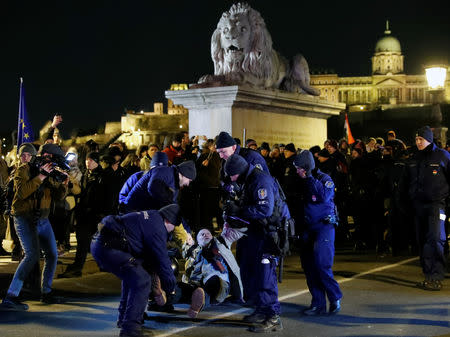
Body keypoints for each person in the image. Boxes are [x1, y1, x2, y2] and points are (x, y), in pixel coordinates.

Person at [90, 204, 181, 337]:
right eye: (174, 226)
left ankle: (123, 319)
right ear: (169, 221)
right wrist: (170, 288)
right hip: (109, 247)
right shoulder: (158, 227)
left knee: (133, 274)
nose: (172, 231)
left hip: (102, 243)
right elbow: (163, 261)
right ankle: (130, 330)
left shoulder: (152, 215)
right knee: (142, 281)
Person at [223, 154, 290, 332]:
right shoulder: (249, 180)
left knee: (265, 275)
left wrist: (239, 210)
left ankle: (273, 316)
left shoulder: (260, 180)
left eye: (232, 175)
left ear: (238, 171)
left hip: (270, 233)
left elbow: (264, 209)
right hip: (258, 232)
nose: (231, 179)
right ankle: (261, 309)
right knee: (253, 272)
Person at [0, 143, 68, 310]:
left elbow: (58, 197)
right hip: (24, 217)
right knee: (31, 255)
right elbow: (22, 193)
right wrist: (42, 176)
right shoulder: (23, 169)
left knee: (52, 254)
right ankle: (11, 296)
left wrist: (64, 184)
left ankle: (46, 292)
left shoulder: (49, 170)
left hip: (43, 219)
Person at [293, 150, 342, 316]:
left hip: (324, 226)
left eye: (299, 168)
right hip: (306, 227)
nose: (296, 171)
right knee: (309, 266)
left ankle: (334, 297)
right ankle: (318, 303)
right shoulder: (298, 181)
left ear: (306, 168)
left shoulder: (324, 179)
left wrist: (310, 179)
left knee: (322, 263)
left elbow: (323, 196)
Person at [407, 126, 450, 291]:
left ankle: (436, 276)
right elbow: (406, 183)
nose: (418, 142)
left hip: (436, 205)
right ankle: (428, 276)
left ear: (429, 139)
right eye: (416, 139)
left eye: (421, 139)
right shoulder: (414, 158)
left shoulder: (443, 156)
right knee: (422, 241)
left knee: (436, 239)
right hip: (418, 207)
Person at [176, 225, 245, 318]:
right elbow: (179, 234)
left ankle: (199, 302)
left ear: (212, 236)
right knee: (179, 287)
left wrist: (230, 218)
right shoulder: (191, 250)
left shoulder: (221, 243)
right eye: (202, 234)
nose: (205, 235)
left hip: (218, 283)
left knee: (213, 281)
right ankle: (162, 297)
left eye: (208, 233)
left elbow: (235, 231)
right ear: (197, 240)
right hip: (196, 283)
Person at [59, 151, 106, 278]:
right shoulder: (85, 175)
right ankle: (78, 267)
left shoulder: (102, 176)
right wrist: (71, 185)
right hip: (84, 214)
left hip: (96, 214)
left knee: (96, 242)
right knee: (82, 242)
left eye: (91, 160)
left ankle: (102, 264)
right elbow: (80, 193)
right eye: (87, 160)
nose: (88, 162)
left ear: (97, 162)